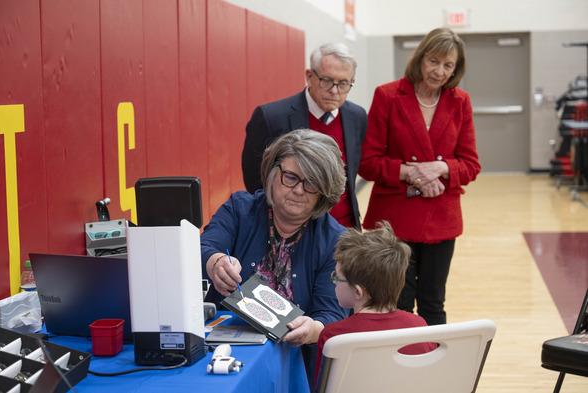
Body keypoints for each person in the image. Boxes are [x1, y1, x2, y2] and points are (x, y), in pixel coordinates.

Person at [201, 129, 349, 386]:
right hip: (220, 356)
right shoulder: (239, 208)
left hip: (294, 366)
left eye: (311, 183)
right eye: (290, 177)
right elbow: (203, 246)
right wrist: (214, 262)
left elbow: (331, 314)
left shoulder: (334, 239)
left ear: (325, 191)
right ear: (273, 173)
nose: (298, 190)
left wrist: (314, 329)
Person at [358, 27, 481, 326]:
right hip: (393, 221)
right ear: (420, 58)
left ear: (456, 69)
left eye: (448, 65)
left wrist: (440, 168)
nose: (439, 71)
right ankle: (398, 367)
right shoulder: (387, 95)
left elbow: (471, 165)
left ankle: (432, 368)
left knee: (433, 302)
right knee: (396, 303)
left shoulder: (460, 101)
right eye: (434, 61)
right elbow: (368, 163)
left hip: (441, 219)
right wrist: (413, 173)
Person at [241, 42, 368, 229]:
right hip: (290, 229)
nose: (334, 91)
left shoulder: (357, 117)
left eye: (343, 84)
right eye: (327, 81)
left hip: (344, 229)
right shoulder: (271, 117)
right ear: (309, 76)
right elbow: (255, 181)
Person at [315, 221, 436, 384]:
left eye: (336, 276)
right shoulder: (419, 327)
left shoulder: (334, 336)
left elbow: (322, 387)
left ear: (358, 292)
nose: (334, 282)